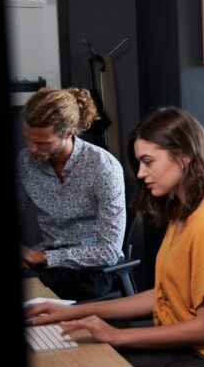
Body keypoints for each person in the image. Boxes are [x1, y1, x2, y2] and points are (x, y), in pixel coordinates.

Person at [24, 107, 204, 367]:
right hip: (181, 346)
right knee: (81, 349)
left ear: (183, 156)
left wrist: (116, 337)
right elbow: (164, 295)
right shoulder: (185, 212)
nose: (141, 174)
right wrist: (72, 311)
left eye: (148, 162)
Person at [17, 87, 126, 300]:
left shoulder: (102, 167)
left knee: (35, 297)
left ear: (68, 133)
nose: (31, 149)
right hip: (47, 265)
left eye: (41, 143)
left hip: (92, 270)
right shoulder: (25, 162)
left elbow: (109, 251)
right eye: (27, 140)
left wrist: (44, 257)